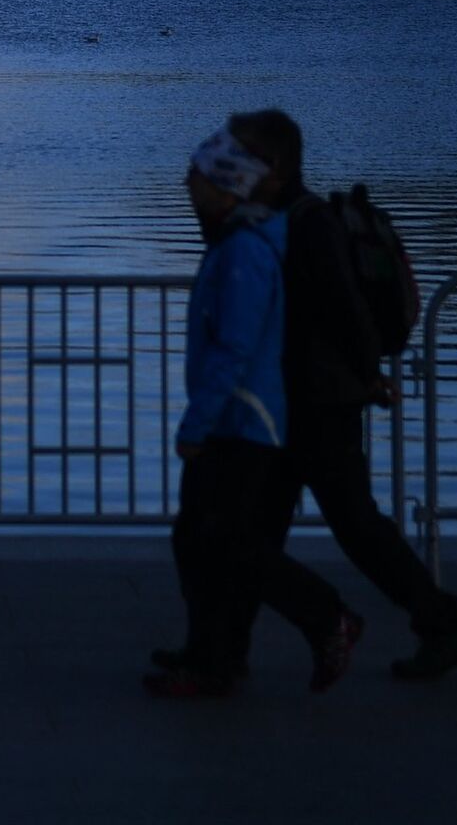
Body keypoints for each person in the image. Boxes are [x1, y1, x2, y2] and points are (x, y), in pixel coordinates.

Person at [240, 110, 457, 681]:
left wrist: (366, 374)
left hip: (316, 402)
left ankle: (418, 622)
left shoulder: (308, 223)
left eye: (245, 157)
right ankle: (224, 651)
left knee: (311, 530)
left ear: (273, 166)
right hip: (300, 400)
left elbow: (345, 309)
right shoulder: (279, 219)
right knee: (276, 532)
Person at [145, 123, 350, 699]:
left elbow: (236, 348)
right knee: (198, 540)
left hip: (242, 423)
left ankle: (320, 616)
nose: (187, 183)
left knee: (227, 545)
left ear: (226, 187)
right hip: (234, 421)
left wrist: (196, 425)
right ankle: (212, 653)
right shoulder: (236, 243)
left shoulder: (244, 253)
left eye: (198, 175)